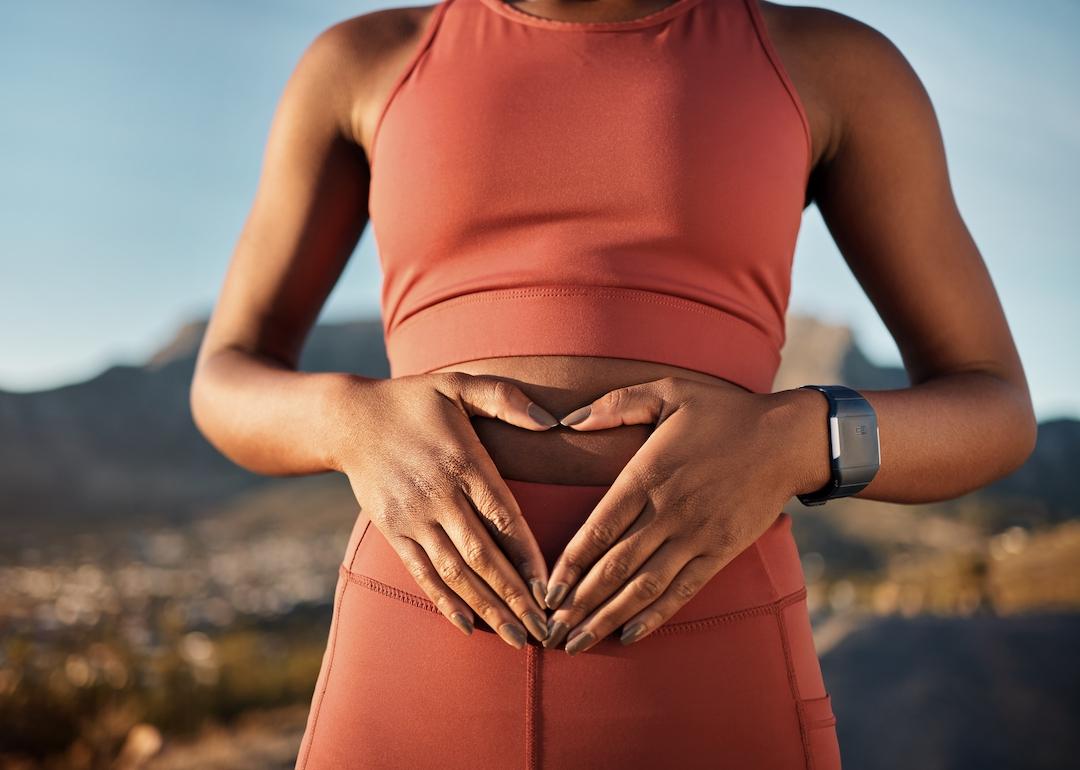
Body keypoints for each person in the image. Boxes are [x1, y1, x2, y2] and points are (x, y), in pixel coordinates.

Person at [188, 0, 1037, 767]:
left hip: (711, 667)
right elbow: (225, 378)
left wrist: (796, 440)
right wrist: (350, 421)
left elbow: (995, 407)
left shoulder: (831, 64)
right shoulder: (363, 60)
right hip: (410, 667)